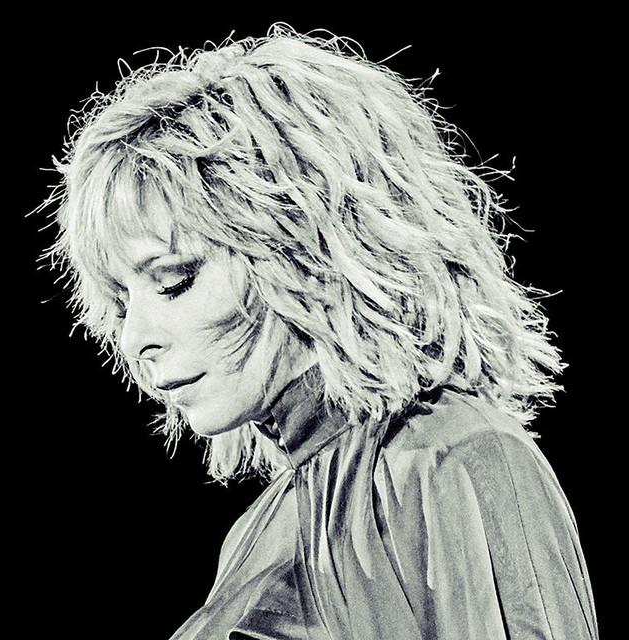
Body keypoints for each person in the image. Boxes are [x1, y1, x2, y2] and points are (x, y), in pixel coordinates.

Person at [39, 23, 598, 639]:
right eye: (120, 301)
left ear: (306, 251)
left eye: (174, 281)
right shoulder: (254, 535)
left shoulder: (459, 460)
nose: (135, 338)